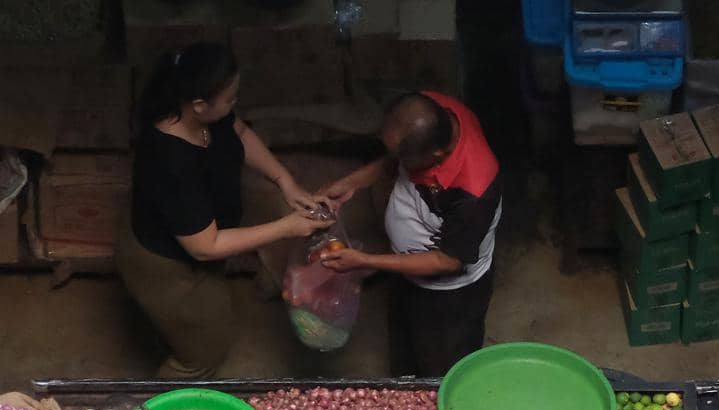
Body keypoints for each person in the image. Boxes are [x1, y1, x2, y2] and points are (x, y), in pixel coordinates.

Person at [121, 42, 333, 379]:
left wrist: (285, 181)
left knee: (208, 318)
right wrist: (287, 227)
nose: (235, 104)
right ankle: (164, 399)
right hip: (166, 262)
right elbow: (205, 247)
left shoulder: (204, 115)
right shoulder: (170, 161)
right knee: (206, 349)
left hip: (201, 238)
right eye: (230, 99)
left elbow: (240, 132)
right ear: (199, 105)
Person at [317, 91, 502, 377]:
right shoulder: (428, 111)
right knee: (406, 353)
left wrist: (364, 261)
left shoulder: (474, 190)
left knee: (442, 370)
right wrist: (352, 183)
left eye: (405, 160)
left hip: (450, 297)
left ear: (436, 156)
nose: (399, 164)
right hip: (407, 272)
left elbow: (447, 261)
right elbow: (395, 159)